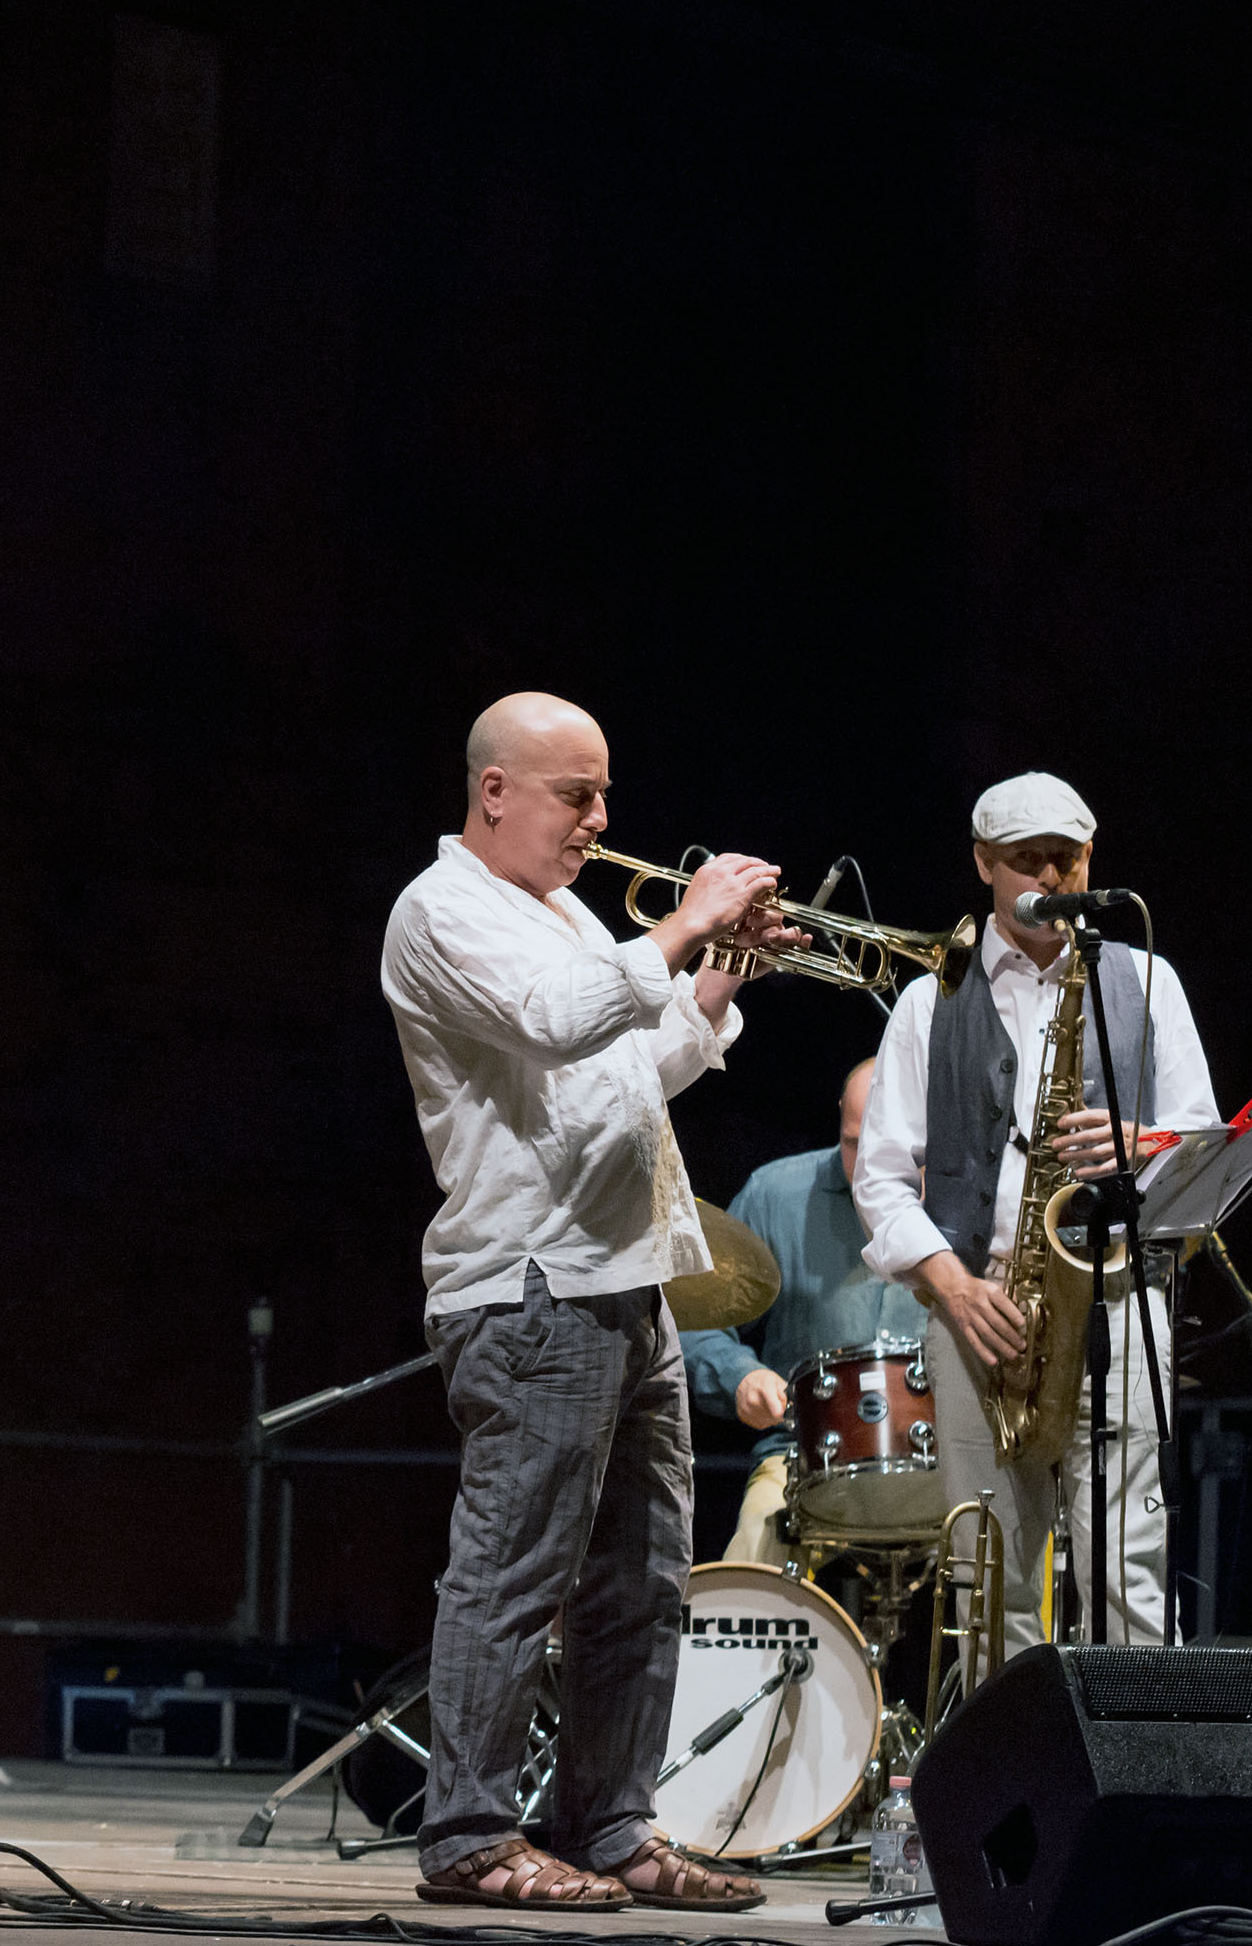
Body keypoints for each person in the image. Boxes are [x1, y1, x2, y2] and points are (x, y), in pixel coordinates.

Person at [381, 692, 799, 1914]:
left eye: (603, 794)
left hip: (624, 1283)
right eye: (578, 795)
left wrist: (714, 979)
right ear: (494, 789)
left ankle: (608, 1823)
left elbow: (628, 1069)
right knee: (511, 1575)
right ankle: (465, 1835)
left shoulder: (562, 911)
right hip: (529, 1289)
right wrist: (682, 925)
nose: (599, 820)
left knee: (644, 1578)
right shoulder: (440, 909)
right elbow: (563, 1023)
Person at [853, 772, 1215, 1649]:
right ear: (983, 862)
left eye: (1068, 857)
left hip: (1120, 1307)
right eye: (1027, 859)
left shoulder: (1146, 980)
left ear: (1092, 859)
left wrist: (1145, 1142)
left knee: (1127, 1572)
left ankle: (1140, 1782)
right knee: (992, 1589)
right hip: (982, 1313)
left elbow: (1201, 1143)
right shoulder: (926, 1001)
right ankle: (1007, 1786)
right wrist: (950, 1283)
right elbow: (882, 1179)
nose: (1050, 878)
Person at [682, 1059, 928, 1566]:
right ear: (840, 1118)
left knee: (1007, 1572)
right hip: (800, 1460)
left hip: (945, 1464)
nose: (867, 1169)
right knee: (751, 1574)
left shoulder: (979, 1206)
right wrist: (741, 1377)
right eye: (854, 1144)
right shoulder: (776, 1195)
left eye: (892, 1151)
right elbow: (693, 1324)